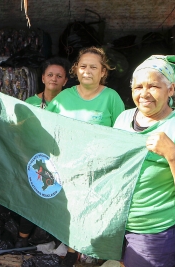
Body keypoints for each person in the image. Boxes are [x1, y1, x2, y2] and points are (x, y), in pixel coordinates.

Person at [113, 55, 175, 267]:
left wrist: (172, 153)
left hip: (153, 232)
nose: (144, 93)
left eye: (153, 86)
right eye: (138, 86)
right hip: (119, 222)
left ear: (171, 90)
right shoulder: (123, 118)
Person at [46, 47, 125, 266]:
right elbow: (44, 125)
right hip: (67, 168)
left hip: (98, 171)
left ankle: (83, 253)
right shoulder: (64, 97)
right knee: (70, 213)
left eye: (93, 67)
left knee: (90, 215)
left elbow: (122, 135)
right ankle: (72, 252)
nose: (87, 71)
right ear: (76, 70)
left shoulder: (111, 98)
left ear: (103, 72)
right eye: (83, 66)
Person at [15, 57, 70, 248]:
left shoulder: (71, 103)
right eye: (50, 75)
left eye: (59, 76)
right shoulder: (30, 102)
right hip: (36, 160)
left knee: (62, 202)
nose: (54, 79)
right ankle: (22, 240)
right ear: (43, 78)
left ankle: (59, 241)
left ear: (65, 81)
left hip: (64, 161)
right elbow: (21, 131)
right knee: (31, 198)